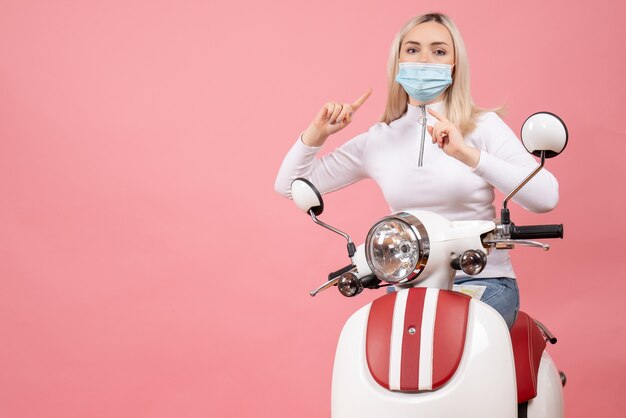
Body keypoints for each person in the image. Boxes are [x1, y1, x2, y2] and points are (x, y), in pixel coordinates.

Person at [274, 12, 558, 329]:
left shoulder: (482, 127)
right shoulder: (379, 139)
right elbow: (289, 186)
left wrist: (467, 154)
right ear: (397, 62)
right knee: (380, 355)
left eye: (438, 51)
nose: (424, 59)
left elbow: (545, 196)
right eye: (412, 50)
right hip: (409, 282)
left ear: (454, 65)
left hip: (484, 280)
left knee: (445, 337)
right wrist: (317, 133)